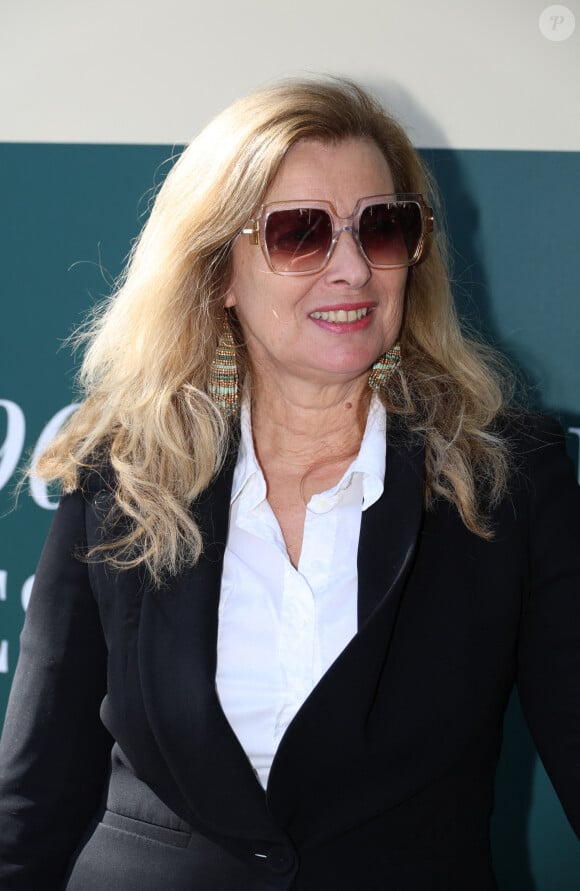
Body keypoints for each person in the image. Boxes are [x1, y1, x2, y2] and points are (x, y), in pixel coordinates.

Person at [0, 77, 579, 891]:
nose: (351, 268)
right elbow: (35, 796)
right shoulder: (125, 474)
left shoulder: (506, 477)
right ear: (219, 273)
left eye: (382, 227)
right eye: (300, 233)